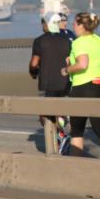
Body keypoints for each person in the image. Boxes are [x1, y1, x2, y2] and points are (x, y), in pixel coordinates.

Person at [62, 12, 100, 159]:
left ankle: (76, 165)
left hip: (83, 87)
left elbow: (82, 64)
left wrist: (67, 69)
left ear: (82, 26)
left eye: (75, 23)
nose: (72, 25)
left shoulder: (79, 42)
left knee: (77, 130)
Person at [30, 13, 73, 153]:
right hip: (66, 81)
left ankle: (61, 135)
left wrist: (33, 72)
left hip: (49, 83)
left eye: (43, 22)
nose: (42, 25)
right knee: (59, 107)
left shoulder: (39, 41)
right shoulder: (68, 41)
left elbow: (34, 63)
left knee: (44, 114)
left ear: (47, 24)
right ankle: (63, 120)